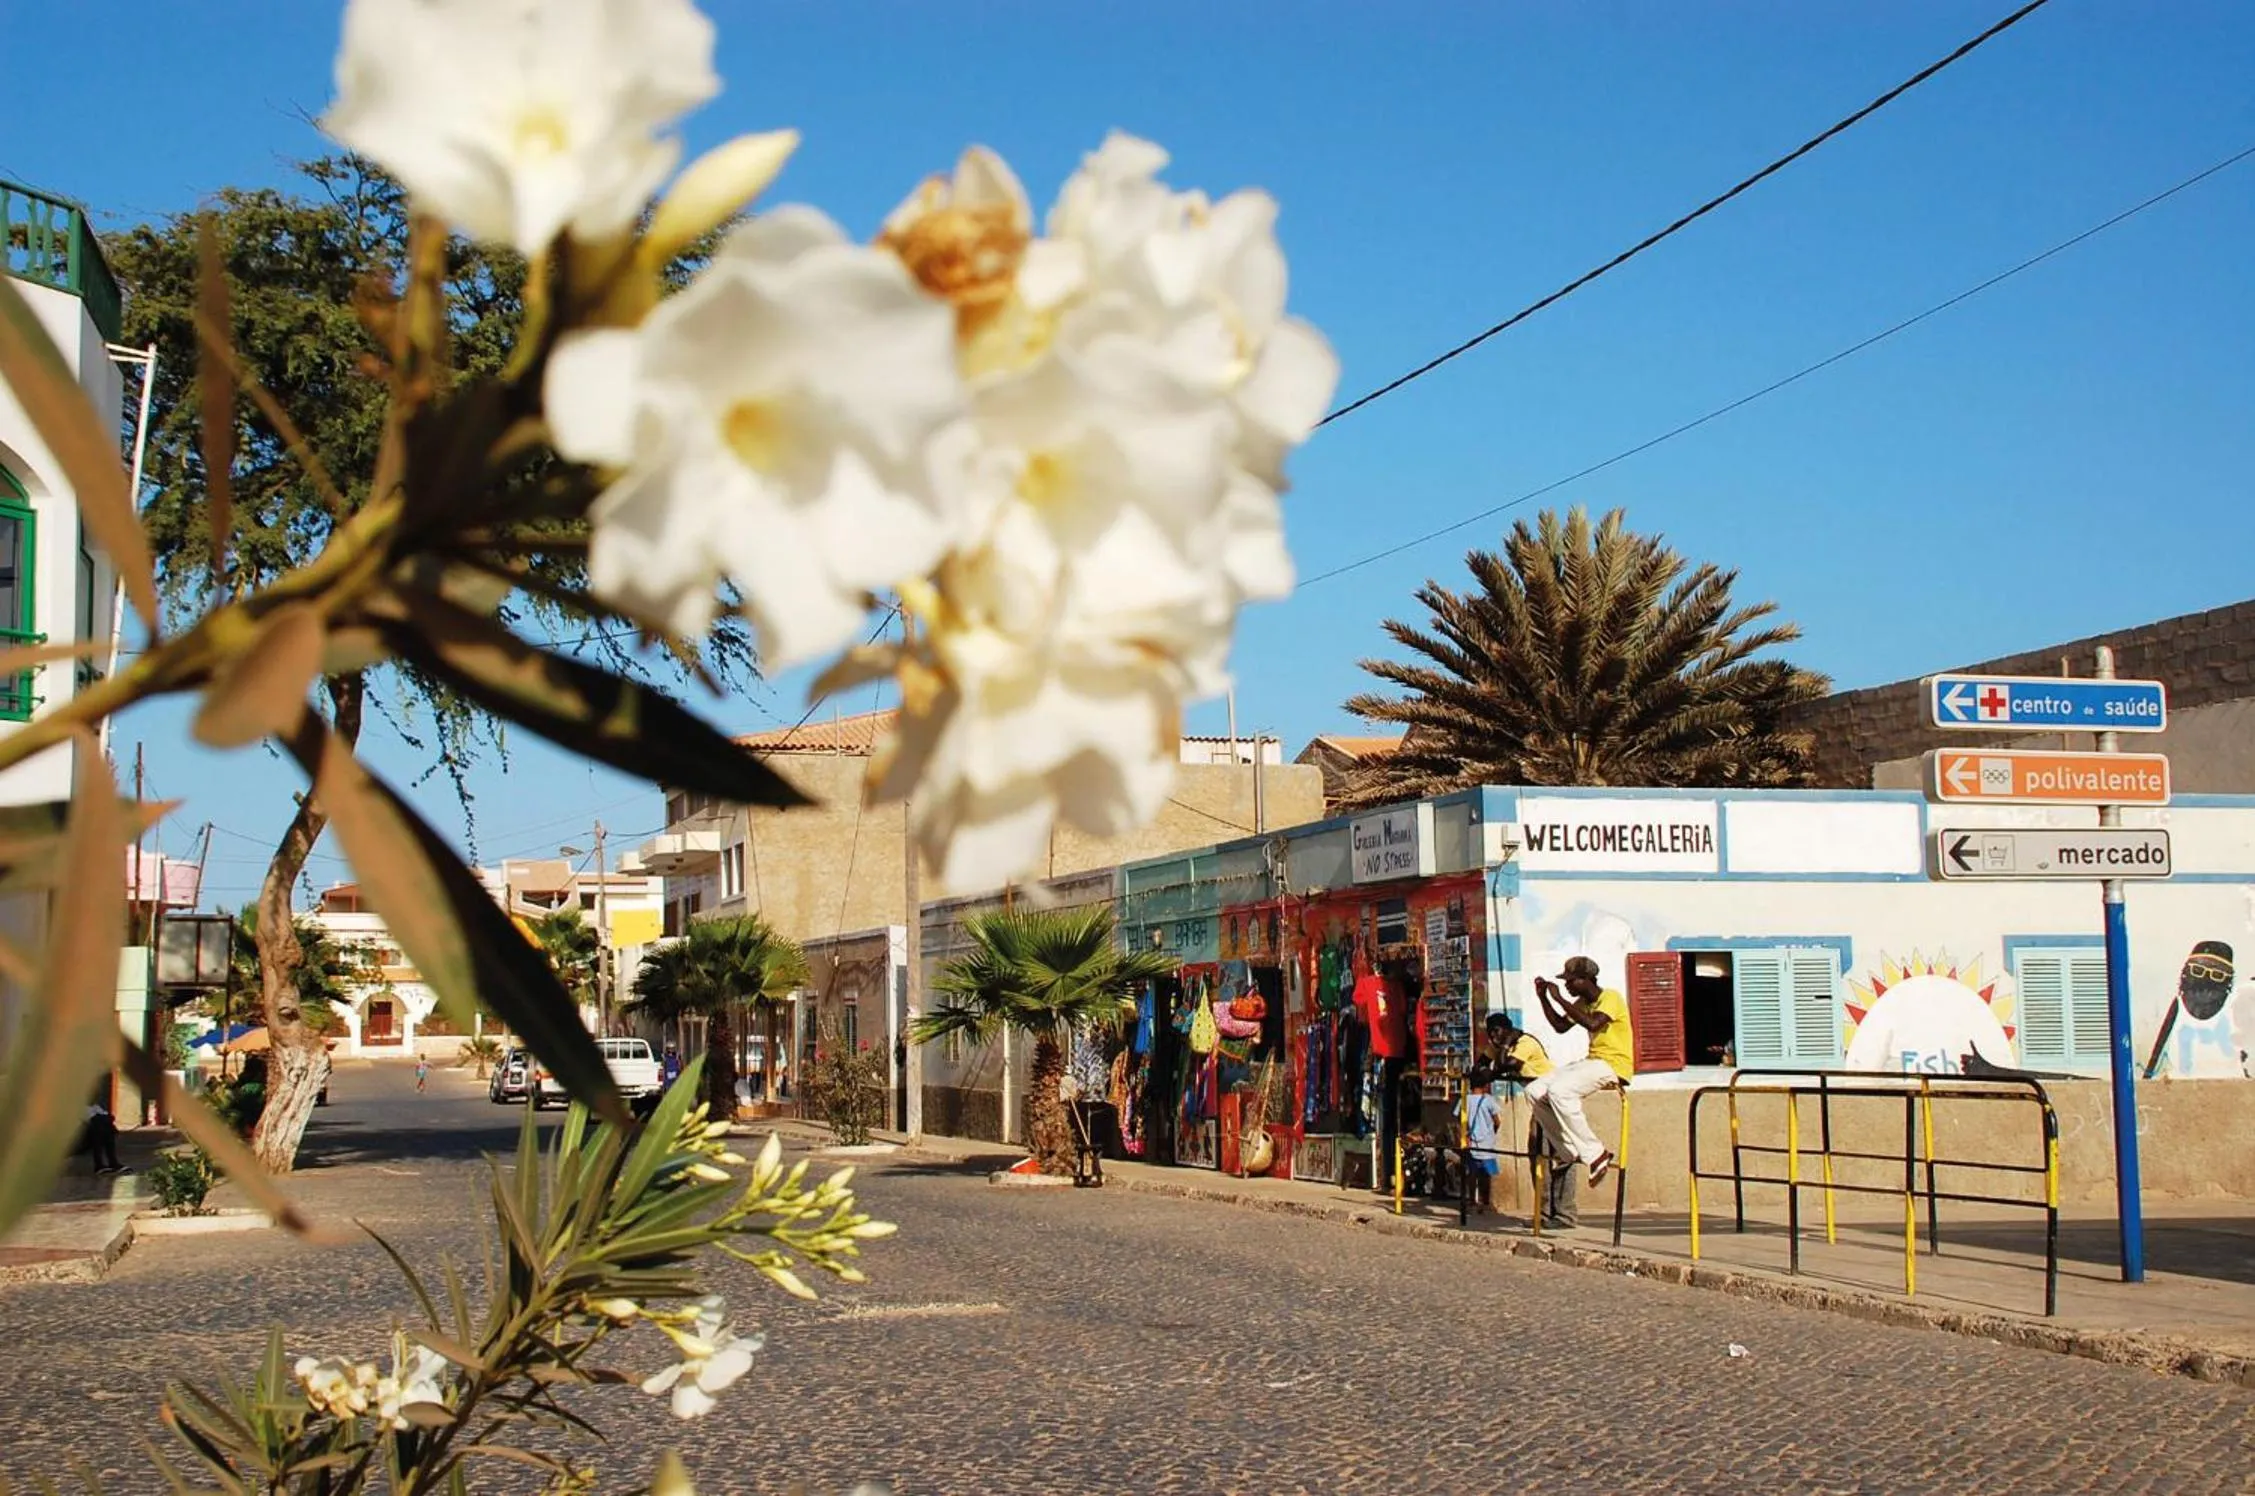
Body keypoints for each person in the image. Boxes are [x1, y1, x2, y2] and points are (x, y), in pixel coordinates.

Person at [1524, 956, 1633, 1185]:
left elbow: (1593, 1024)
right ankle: (1569, 1151)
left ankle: (1596, 1153)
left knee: (1560, 1091)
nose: (1567, 985)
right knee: (1534, 1091)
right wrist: (1544, 999)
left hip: (1613, 1065)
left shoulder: (1610, 997)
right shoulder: (1583, 1004)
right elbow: (1560, 1026)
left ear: (1587, 980)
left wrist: (1560, 999)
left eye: (1571, 981)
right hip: (1592, 1061)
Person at [1484, 1011, 1578, 1227]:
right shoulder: (1499, 1046)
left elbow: (1505, 1066)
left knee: (1560, 1155)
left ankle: (1564, 1215)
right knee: (1536, 1153)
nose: (1494, 1038)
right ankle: (1543, 1212)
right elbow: (1483, 1062)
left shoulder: (1525, 1043)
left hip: (1554, 1100)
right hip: (1539, 1104)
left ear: (1508, 1030)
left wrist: (1505, 1045)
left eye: (1498, 1032)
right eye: (1491, 1034)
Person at [1460, 1064, 1504, 1214]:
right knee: (1486, 1174)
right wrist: (1492, 1131)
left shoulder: (1464, 1100)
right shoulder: (1489, 1100)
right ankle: (1485, 1202)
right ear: (1486, 1085)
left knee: (1471, 1173)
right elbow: (1497, 1121)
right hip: (1487, 1143)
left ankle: (1471, 1201)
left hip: (1470, 1142)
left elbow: (1460, 1120)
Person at [81, 1092, 125, 1175]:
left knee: (108, 1134)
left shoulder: (96, 1107)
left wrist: (105, 1118)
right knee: (99, 1134)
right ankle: (99, 1165)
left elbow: (109, 1116)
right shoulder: (82, 1108)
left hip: (103, 1129)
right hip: (93, 1131)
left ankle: (113, 1163)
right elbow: (91, 1119)